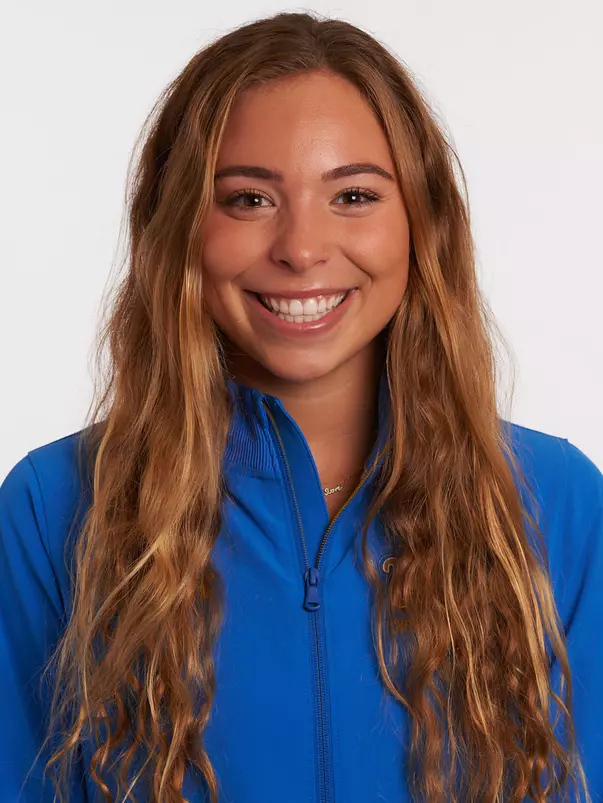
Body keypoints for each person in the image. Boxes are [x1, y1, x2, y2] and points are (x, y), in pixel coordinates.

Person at [0, 10, 601, 803]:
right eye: (248, 199)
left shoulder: (551, 499)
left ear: (422, 223)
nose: (302, 247)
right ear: (179, 224)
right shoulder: (56, 506)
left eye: (352, 194)